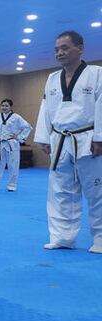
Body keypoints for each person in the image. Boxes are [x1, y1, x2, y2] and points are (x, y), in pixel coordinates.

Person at [34, 30, 102, 254]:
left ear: (80, 48)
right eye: (56, 50)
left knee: (97, 191)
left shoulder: (97, 74)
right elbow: (46, 108)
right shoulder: (52, 78)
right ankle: (62, 237)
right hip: (60, 141)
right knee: (60, 192)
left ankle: (100, 238)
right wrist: (44, 137)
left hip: (88, 139)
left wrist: (100, 137)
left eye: (64, 48)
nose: (59, 53)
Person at [0, 99, 32, 192]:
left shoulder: (16, 117)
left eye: (6, 106)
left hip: (12, 144)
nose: (4, 107)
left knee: (13, 166)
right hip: (0, 144)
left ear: (10, 107)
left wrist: (19, 137)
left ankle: (12, 186)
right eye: (3, 105)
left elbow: (28, 127)